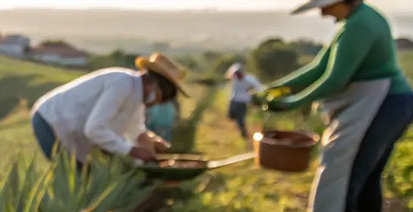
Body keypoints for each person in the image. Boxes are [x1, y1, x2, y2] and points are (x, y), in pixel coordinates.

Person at [252, 0, 413, 212]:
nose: (323, 13)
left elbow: (334, 81)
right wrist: (276, 88)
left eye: (324, 5)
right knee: (366, 174)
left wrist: (289, 104)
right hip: (392, 103)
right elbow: (318, 69)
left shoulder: (359, 26)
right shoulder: (356, 21)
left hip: (384, 103)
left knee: (344, 167)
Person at [31, 53, 189, 166]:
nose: (158, 102)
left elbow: (135, 128)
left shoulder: (137, 97)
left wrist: (151, 140)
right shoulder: (122, 83)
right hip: (51, 121)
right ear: (153, 83)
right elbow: (94, 129)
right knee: (70, 176)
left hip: (73, 132)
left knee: (83, 176)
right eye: (163, 95)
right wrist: (132, 151)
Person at [224, 62, 261, 139]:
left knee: (240, 119)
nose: (236, 75)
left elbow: (259, 87)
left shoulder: (249, 79)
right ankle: (239, 128)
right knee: (231, 116)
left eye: (238, 73)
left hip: (242, 102)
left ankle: (244, 134)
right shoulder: (235, 78)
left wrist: (254, 95)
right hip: (234, 100)